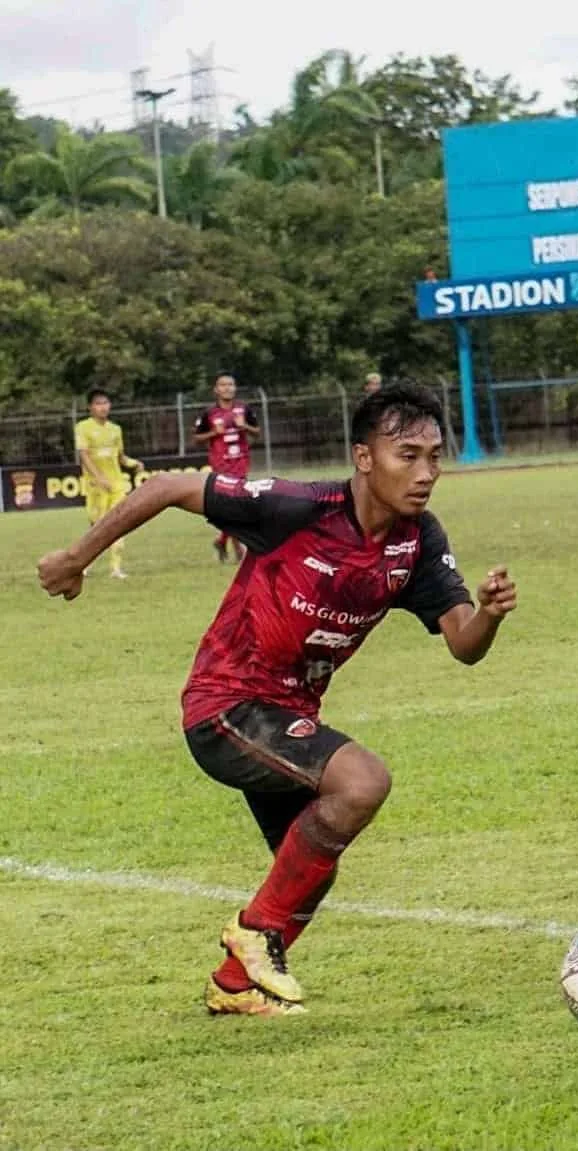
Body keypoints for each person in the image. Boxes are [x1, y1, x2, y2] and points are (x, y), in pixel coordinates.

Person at [39, 382, 518, 1017]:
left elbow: (463, 643)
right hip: (226, 707)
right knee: (362, 782)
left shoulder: (417, 540)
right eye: (408, 454)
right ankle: (255, 933)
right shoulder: (298, 507)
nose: (426, 472)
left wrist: (487, 614)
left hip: (286, 718)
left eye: (434, 456)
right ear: (364, 457)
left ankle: (235, 985)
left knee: (313, 866)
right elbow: (165, 488)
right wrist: (75, 559)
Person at [74, 388, 144, 579]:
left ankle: (116, 568)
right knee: (97, 526)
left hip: (116, 485)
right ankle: (83, 564)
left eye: (105, 403)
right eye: (98, 403)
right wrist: (98, 477)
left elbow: (120, 457)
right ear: (90, 407)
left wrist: (133, 463)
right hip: (95, 487)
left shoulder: (115, 429)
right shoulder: (83, 427)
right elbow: (84, 456)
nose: (103, 407)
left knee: (119, 523)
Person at [193, 372, 261, 563]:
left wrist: (245, 426)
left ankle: (223, 541)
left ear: (235, 388)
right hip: (221, 465)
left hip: (241, 464)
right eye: (223, 385)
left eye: (230, 384)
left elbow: (257, 433)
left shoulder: (244, 409)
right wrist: (214, 433)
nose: (227, 388)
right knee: (234, 506)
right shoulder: (209, 414)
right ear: (216, 390)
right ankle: (237, 548)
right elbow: (197, 438)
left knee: (236, 506)